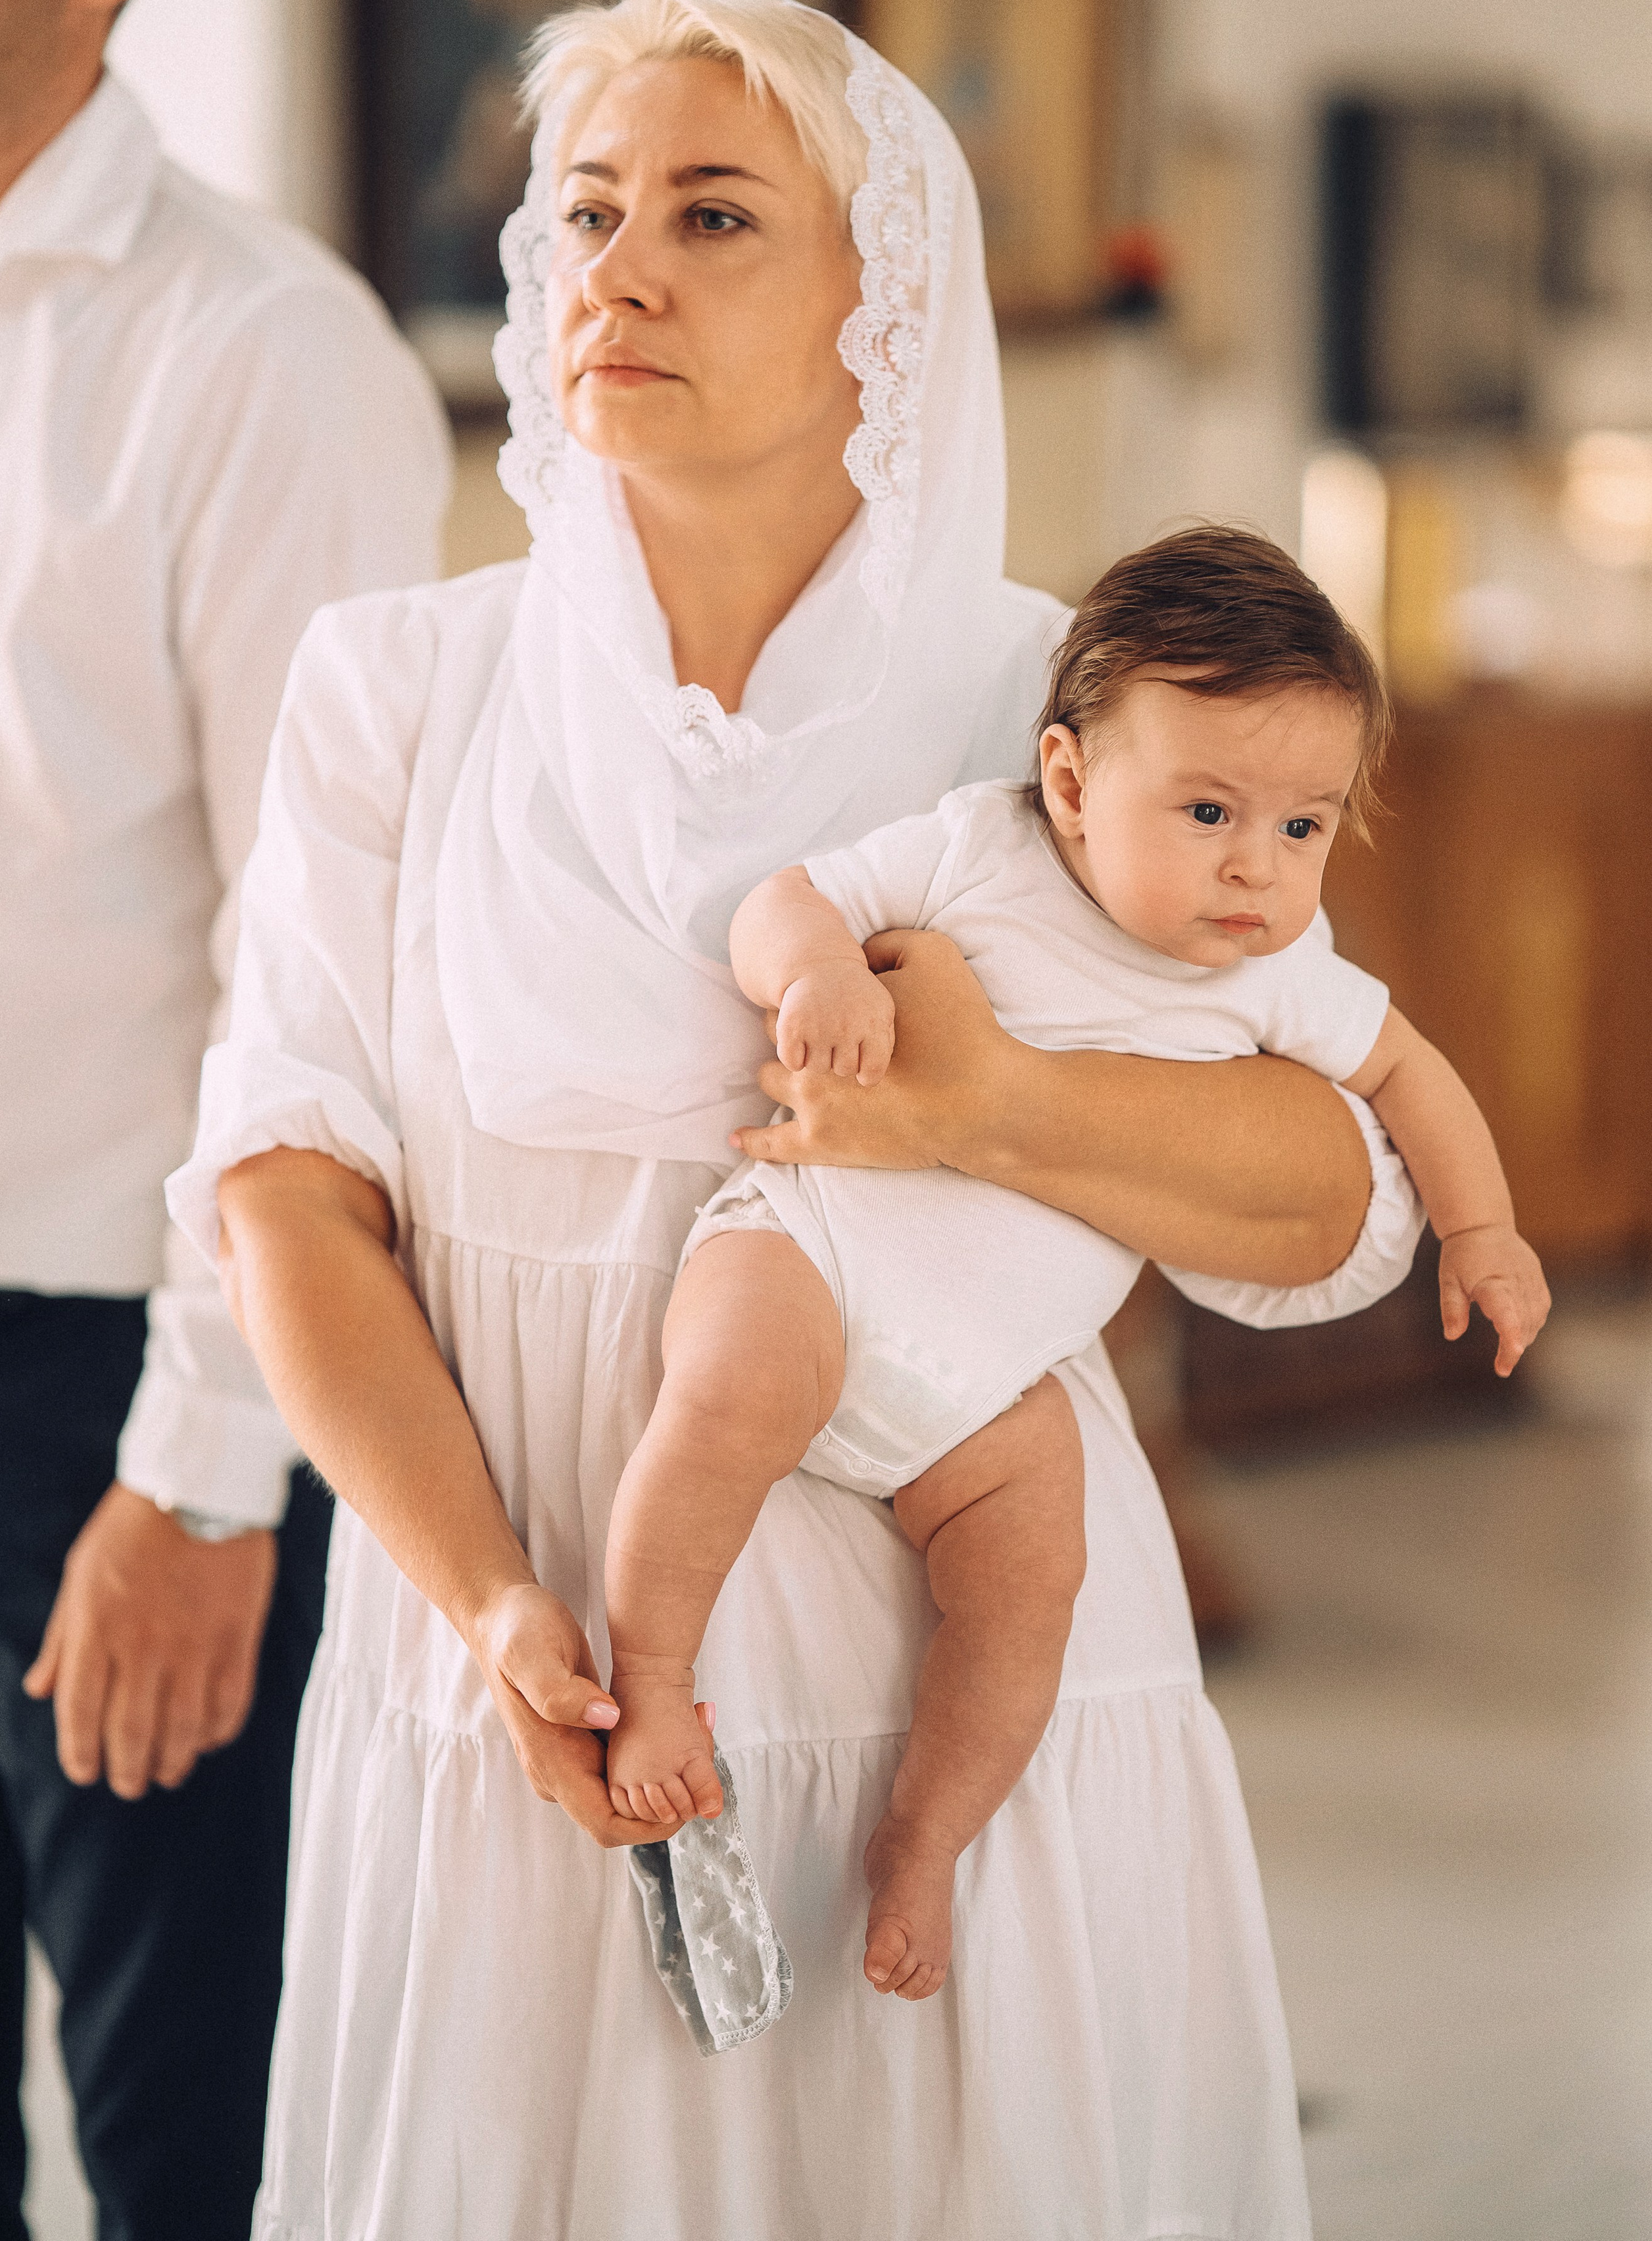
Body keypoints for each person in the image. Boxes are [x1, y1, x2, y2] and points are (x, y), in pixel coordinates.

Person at [173, 0, 1422, 2238]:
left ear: (889, 302)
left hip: (961, 1675)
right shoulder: (398, 686)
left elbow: (1342, 1207)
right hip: (526, 1661)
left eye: (716, 215)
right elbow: (286, 1192)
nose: (618, 268)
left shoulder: (1060, 709)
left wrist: (991, 1104)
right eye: (586, 210)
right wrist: (494, 1609)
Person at [604, 529, 1549, 2002]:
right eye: (1208, 810)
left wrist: (1481, 1230)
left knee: (1031, 1581)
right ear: (1067, 780)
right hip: (820, 1255)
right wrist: (822, 972)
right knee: (720, 1399)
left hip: (993, 1381)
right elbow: (780, 903)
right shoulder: (976, 850)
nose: (1255, 866)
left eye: (1304, 828)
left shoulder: (1279, 974)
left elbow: (1409, 1076)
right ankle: (655, 1687)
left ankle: (925, 1839)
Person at [0, 0, 450, 2235]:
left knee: (201, 2156)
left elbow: (325, 972)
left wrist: (202, 1472)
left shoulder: (265, 355)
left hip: (109, 1395)